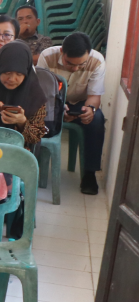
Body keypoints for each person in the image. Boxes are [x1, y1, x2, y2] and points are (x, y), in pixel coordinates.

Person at [40, 32, 106, 194]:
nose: (75, 68)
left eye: (81, 65)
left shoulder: (97, 61)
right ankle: (37, 166)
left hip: (80, 103)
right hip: (52, 102)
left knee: (97, 119)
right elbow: (42, 93)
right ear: (62, 51)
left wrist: (90, 110)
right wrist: (59, 109)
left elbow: (94, 97)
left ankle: (89, 174)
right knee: (37, 117)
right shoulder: (47, 57)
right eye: (70, 63)